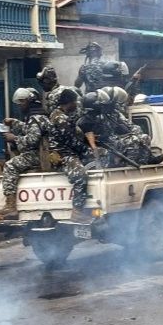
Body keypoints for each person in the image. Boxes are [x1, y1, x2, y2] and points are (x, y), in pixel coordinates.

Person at [0, 88, 51, 219]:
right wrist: (14, 122)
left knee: (10, 165)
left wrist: (13, 138)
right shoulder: (39, 116)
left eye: (22, 102)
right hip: (42, 153)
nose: (20, 105)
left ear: (29, 101)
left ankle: (10, 206)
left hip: (39, 155)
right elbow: (29, 130)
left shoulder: (35, 118)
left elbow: (32, 141)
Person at [48, 89, 91, 224]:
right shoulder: (60, 118)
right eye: (75, 102)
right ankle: (77, 211)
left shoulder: (61, 115)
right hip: (63, 155)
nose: (76, 105)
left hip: (67, 152)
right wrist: (88, 151)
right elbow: (71, 142)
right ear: (70, 102)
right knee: (80, 175)